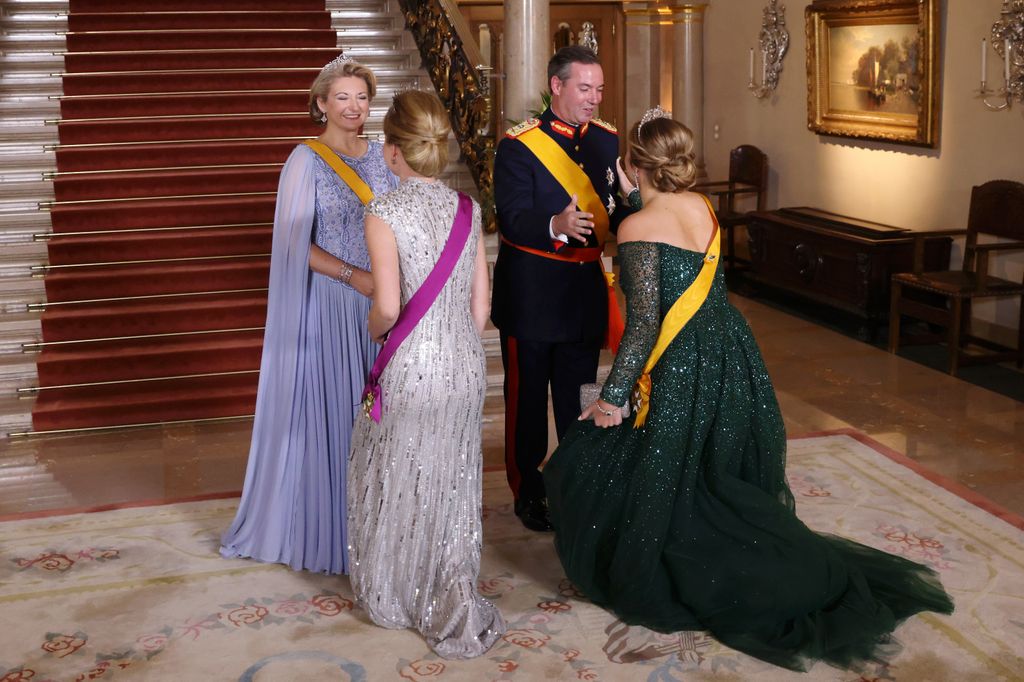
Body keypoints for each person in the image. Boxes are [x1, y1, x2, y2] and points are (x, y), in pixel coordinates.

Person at [542, 109, 954, 672]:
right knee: (708, 464)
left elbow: (642, 326)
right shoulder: (701, 207)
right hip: (729, 350)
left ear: (633, 164)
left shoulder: (638, 228)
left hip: (681, 361)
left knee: (591, 459)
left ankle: (682, 557)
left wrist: (614, 398)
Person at [220, 56, 397, 574]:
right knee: (339, 418)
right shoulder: (305, 161)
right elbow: (295, 245)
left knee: (378, 422)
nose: (353, 107)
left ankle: (380, 525)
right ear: (321, 103)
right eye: (341, 97)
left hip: (382, 304)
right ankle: (331, 530)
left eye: (361, 97)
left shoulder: (385, 158)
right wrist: (354, 277)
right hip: (333, 304)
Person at [346, 90, 505, 659]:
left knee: (396, 474)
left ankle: (394, 593)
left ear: (392, 153)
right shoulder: (467, 209)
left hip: (411, 363)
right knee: (451, 476)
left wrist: (371, 330)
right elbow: (482, 313)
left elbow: (388, 308)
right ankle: (449, 583)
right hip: (464, 365)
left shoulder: (383, 213)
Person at [491, 45, 632, 532]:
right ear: (557, 86)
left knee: (578, 399)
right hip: (530, 296)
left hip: (582, 295)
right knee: (527, 403)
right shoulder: (518, 145)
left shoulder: (608, 142)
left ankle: (575, 482)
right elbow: (510, 218)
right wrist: (555, 222)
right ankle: (527, 489)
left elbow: (619, 208)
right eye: (584, 88)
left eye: (599, 89)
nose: (594, 98)